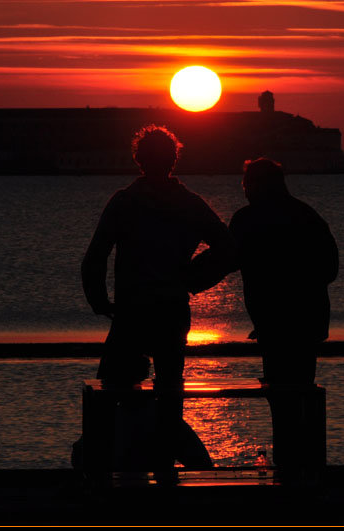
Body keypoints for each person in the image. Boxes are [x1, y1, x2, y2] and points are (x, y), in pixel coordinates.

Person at [80, 124, 236, 475]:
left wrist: (99, 301)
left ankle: (108, 470)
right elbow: (229, 249)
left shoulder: (125, 201)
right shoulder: (188, 203)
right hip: (170, 309)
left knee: (111, 390)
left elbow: (95, 255)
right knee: (168, 394)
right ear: (172, 160)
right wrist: (193, 278)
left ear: (139, 160)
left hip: (132, 310)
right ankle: (162, 467)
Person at [229, 158, 338, 473]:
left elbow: (226, 258)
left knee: (281, 398)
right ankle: (303, 468)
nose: (246, 191)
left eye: (248, 184)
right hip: (308, 323)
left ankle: (289, 468)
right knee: (301, 393)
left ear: (258, 185)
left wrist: (185, 279)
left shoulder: (249, 219)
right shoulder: (307, 216)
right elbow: (330, 268)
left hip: (275, 326)